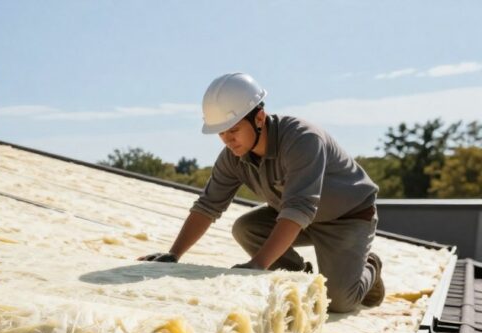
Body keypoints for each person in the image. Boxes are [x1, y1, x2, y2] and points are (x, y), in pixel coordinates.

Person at [140, 72, 384, 312]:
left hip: (346, 219)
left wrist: (257, 265)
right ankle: (300, 278)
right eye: (221, 133)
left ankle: (370, 265)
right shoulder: (233, 157)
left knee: (338, 301)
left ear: (259, 118)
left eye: (233, 130)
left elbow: (299, 208)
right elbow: (207, 206)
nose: (227, 140)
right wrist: (173, 255)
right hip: (296, 217)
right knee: (246, 228)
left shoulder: (303, 139)